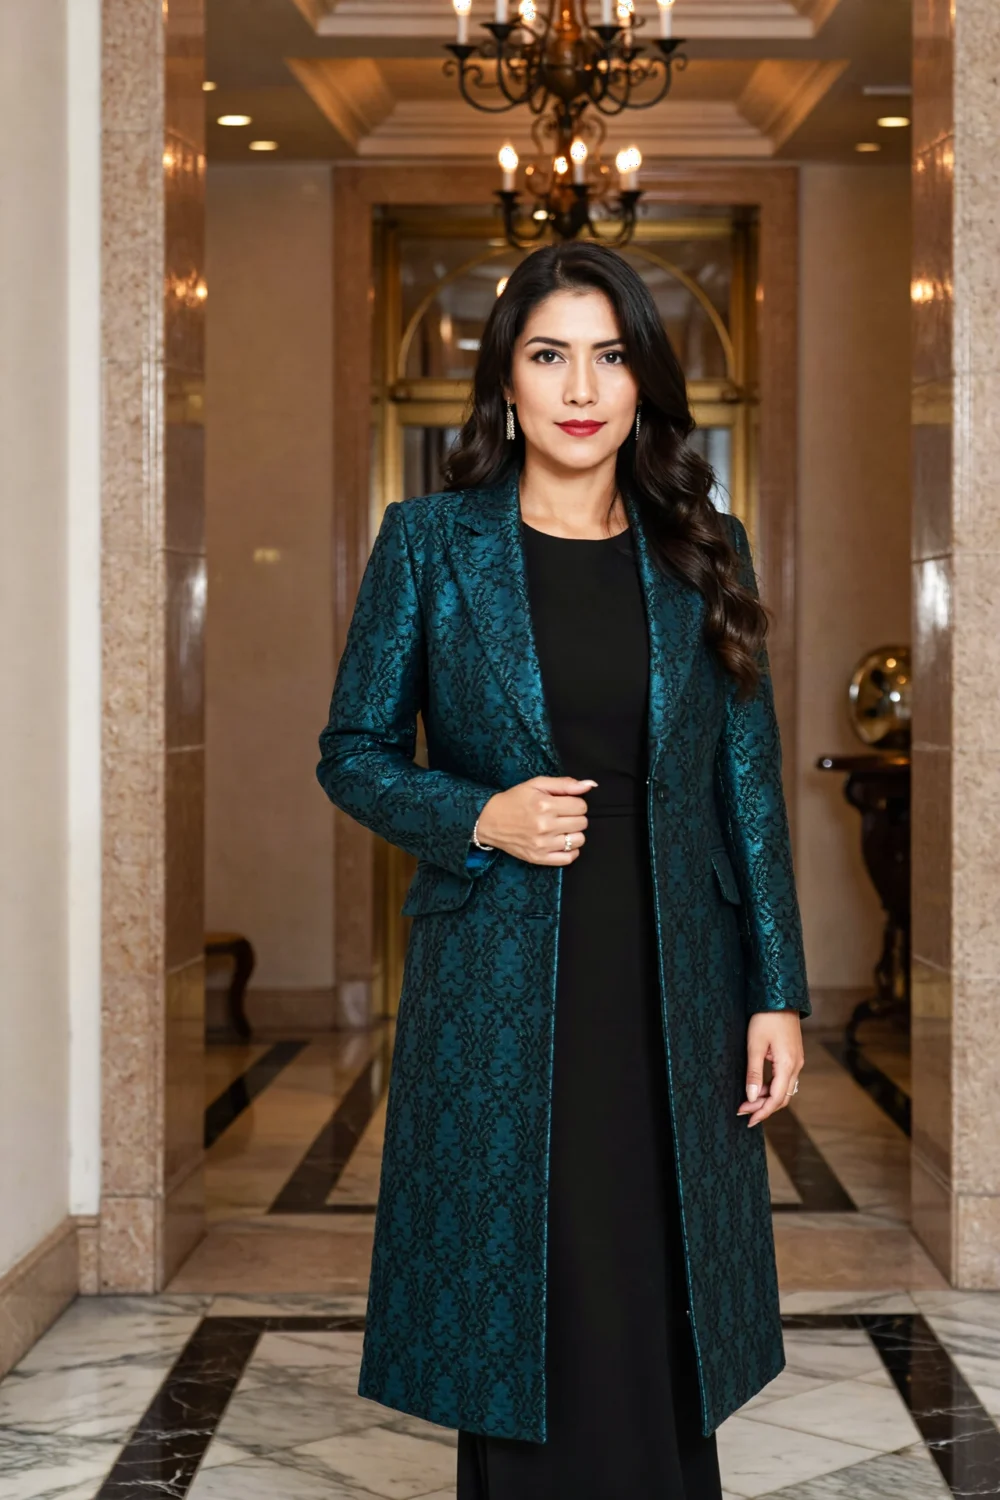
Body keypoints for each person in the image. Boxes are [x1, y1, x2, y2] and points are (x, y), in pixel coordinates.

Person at [316, 242, 809, 1498]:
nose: (580, 385)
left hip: (672, 978)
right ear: (507, 385)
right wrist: (480, 814)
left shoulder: (706, 545)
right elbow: (353, 752)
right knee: (526, 1282)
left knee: (660, 1272)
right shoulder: (429, 544)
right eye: (548, 355)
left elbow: (744, 783)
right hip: (498, 973)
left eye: (609, 353)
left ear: (643, 381)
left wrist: (776, 991)